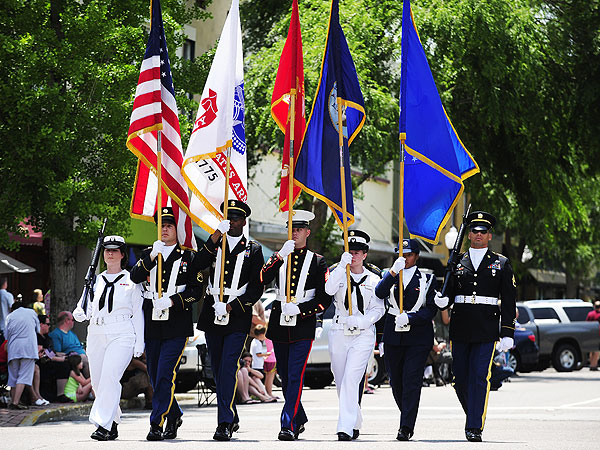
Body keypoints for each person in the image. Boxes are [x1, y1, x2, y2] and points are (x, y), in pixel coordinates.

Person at [435, 211, 517, 442]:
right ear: (469, 234)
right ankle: (474, 413)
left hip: (486, 328)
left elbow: (509, 300)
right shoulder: (456, 262)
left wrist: (507, 332)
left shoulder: (500, 263)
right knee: (459, 378)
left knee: (480, 376)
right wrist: (442, 301)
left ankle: (474, 426)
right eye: (474, 230)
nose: (478, 234)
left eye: (483, 231)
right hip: (461, 326)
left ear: (489, 236)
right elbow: (448, 293)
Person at [130, 206, 205, 441]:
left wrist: (173, 301)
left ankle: (157, 423)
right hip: (152, 325)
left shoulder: (189, 257)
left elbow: (196, 292)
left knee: (164, 374)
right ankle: (173, 414)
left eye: (169, 225)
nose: (164, 229)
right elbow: (134, 277)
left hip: (176, 325)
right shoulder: (150, 253)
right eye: (161, 225)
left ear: (177, 229)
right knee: (154, 374)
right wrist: (151, 257)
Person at [260, 210, 333, 441]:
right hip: (280, 323)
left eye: (299, 229)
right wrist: (279, 256)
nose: (294, 233)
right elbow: (262, 278)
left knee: (295, 375)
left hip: (302, 324)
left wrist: (302, 310)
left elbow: (325, 298)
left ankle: (288, 424)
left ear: (307, 232)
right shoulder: (280, 256)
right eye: (291, 229)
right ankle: (299, 417)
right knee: (283, 373)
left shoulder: (318, 261)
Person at [196, 200, 264, 441]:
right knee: (216, 368)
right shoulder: (216, 244)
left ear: (244, 222)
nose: (232, 221)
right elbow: (197, 264)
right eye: (228, 217)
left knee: (227, 368)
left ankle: (223, 423)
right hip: (213, 313)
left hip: (237, 316)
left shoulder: (253, 249)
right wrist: (215, 235)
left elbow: (256, 288)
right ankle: (231, 414)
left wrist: (233, 306)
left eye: (236, 218)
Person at [72, 235, 145, 441]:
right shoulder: (95, 280)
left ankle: (102, 425)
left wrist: (140, 341)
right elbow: (85, 305)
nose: (110, 253)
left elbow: (138, 313)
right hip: (96, 332)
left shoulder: (132, 281)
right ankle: (112, 423)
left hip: (121, 333)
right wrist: (80, 312)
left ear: (122, 255)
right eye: (106, 250)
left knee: (110, 377)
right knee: (97, 382)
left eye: (115, 250)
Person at [375, 238, 438, 441]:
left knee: (411, 380)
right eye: (402, 254)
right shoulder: (391, 273)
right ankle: (407, 413)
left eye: (409, 255)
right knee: (396, 382)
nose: (405, 258)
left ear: (417, 256)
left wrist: (411, 317)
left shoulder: (427, 278)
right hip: (394, 335)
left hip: (418, 336)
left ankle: (406, 426)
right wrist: (394, 271)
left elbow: (430, 310)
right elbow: (379, 292)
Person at [324, 230, 384, 441]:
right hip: (339, 331)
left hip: (363, 334)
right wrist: (341, 266)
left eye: (358, 252)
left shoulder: (375, 278)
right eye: (351, 251)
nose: (355, 255)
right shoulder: (338, 272)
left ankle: (345, 427)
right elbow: (329, 289)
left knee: (351, 378)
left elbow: (378, 309)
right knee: (340, 380)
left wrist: (361, 321)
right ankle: (354, 419)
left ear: (365, 255)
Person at [5, 301, 40, 409]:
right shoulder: (31, 313)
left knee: (13, 377)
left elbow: (6, 335)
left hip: (13, 349)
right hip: (28, 349)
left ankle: (13, 401)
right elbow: (37, 329)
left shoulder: (9, 317)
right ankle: (15, 403)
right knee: (23, 376)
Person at [36, 315, 72, 403]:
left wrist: (61, 355)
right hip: (42, 363)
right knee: (63, 365)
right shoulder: (37, 338)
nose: (49, 326)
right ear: (41, 324)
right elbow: (45, 354)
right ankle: (61, 394)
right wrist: (61, 359)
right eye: (47, 324)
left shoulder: (46, 337)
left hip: (49, 361)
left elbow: (51, 352)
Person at [48, 311, 90, 378]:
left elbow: (80, 346)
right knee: (85, 359)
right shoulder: (56, 334)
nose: (74, 322)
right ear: (67, 320)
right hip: (74, 358)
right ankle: (91, 384)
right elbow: (57, 352)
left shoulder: (72, 334)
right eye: (72, 320)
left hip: (83, 355)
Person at [586, 300, 600, 371]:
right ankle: (594, 365)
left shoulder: (590, 314)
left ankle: (591, 364)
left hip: (591, 334)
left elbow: (587, 323)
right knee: (597, 351)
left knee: (591, 350)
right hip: (598, 334)